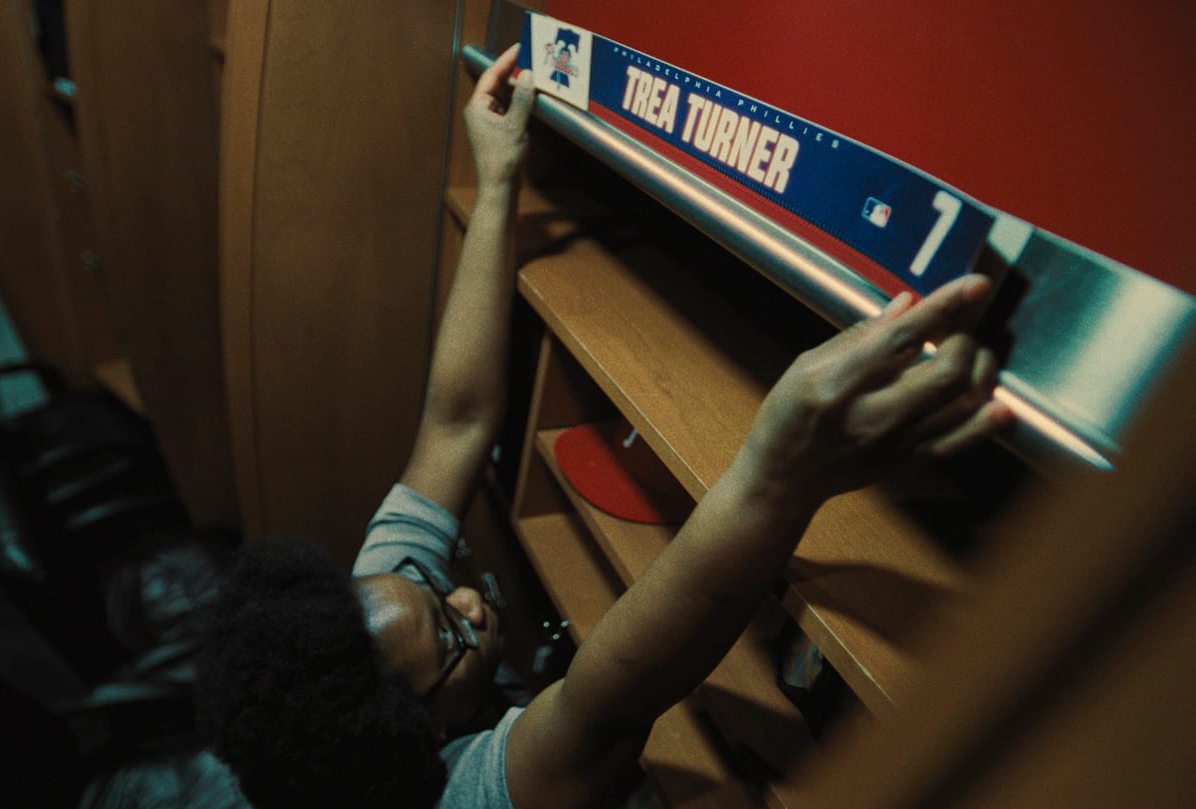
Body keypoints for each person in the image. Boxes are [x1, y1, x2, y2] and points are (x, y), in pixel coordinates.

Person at [194, 43, 1013, 809]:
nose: (469, 599)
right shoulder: (464, 792)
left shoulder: (373, 633)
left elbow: (456, 420)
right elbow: (608, 700)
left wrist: (499, 177)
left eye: (433, 589)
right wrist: (782, 472)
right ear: (419, 735)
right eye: (452, 634)